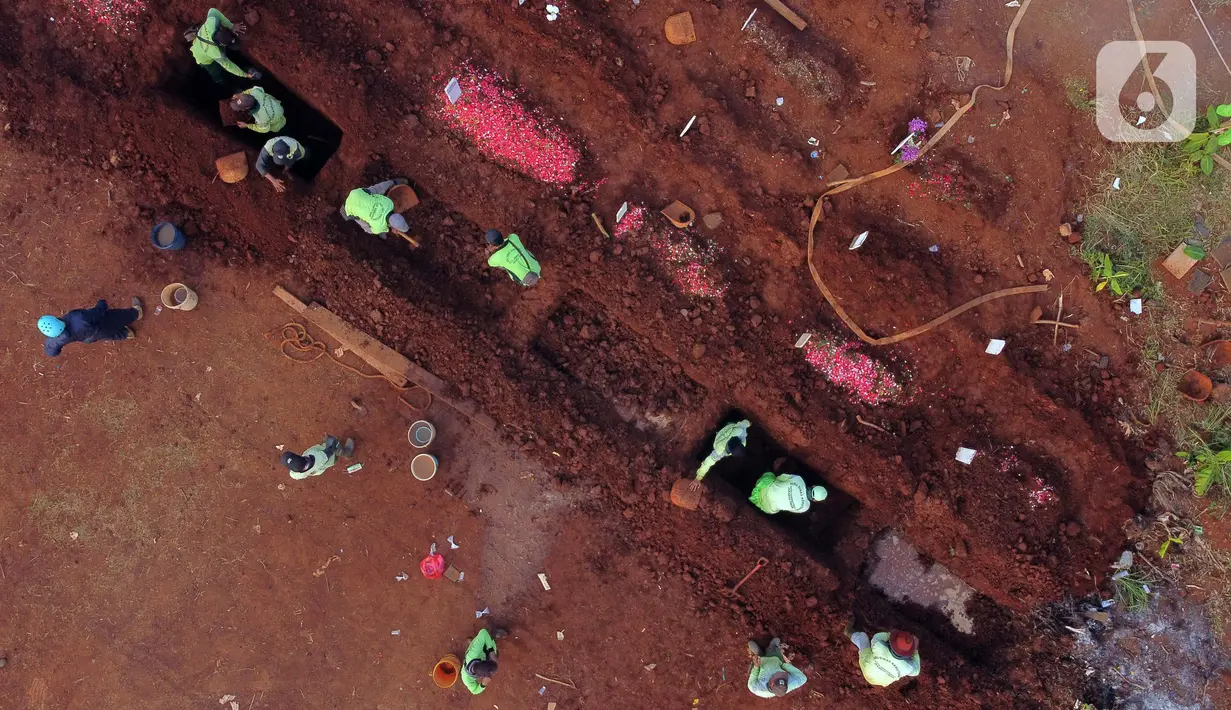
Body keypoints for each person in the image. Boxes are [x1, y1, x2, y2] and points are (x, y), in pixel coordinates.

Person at [39, 297, 143, 357]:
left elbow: (50, 351)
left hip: (89, 337)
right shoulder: (78, 318)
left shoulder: (56, 339)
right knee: (119, 317)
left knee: (109, 335)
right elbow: (98, 312)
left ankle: (127, 334)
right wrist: (102, 303)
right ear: (55, 319)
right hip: (101, 324)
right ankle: (137, 312)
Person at [190, 8, 260, 83]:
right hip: (204, 60)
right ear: (221, 44)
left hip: (198, 43)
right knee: (218, 73)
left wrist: (231, 26)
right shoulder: (215, 52)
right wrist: (245, 75)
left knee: (226, 56)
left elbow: (212, 11)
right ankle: (222, 82)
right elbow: (228, 66)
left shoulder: (212, 23)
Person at [690, 419, 750, 491]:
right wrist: (698, 478)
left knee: (730, 423)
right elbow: (707, 463)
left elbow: (745, 423)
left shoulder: (740, 431)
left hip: (730, 426)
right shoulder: (720, 450)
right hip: (721, 434)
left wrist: (749, 422)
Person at [850, 628, 921, 687]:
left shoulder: (879, 644)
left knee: (863, 636)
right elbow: (916, 671)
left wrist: (896, 635)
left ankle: (848, 632)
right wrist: (914, 650)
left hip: (867, 668)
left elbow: (887, 635)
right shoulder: (908, 668)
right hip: (882, 681)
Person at [341, 179, 411, 237]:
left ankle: (394, 182)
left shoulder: (389, 203)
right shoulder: (378, 227)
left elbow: (379, 191)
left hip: (356, 194)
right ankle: (343, 212)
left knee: (377, 189)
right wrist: (390, 229)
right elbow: (370, 230)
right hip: (349, 208)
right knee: (367, 227)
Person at [749, 471, 827, 515]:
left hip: (763, 488)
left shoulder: (799, 479)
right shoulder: (804, 508)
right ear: (815, 500)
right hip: (768, 508)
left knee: (770, 475)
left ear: (814, 486)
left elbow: (780, 477)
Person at [281, 435, 355, 480]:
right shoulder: (319, 457)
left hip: (319, 465)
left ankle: (324, 444)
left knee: (320, 447)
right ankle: (347, 453)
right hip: (329, 458)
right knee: (333, 444)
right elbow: (331, 450)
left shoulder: (294, 475)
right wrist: (331, 441)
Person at [461, 627, 508, 695]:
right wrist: (483, 684)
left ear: (483, 660)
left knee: (488, 639)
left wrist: (491, 650)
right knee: (496, 654)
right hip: (481, 652)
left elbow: (483, 632)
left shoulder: (473, 654)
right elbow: (474, 691)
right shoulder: (466, 678)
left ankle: (492, 635)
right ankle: (475, 642)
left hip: (480, 649)